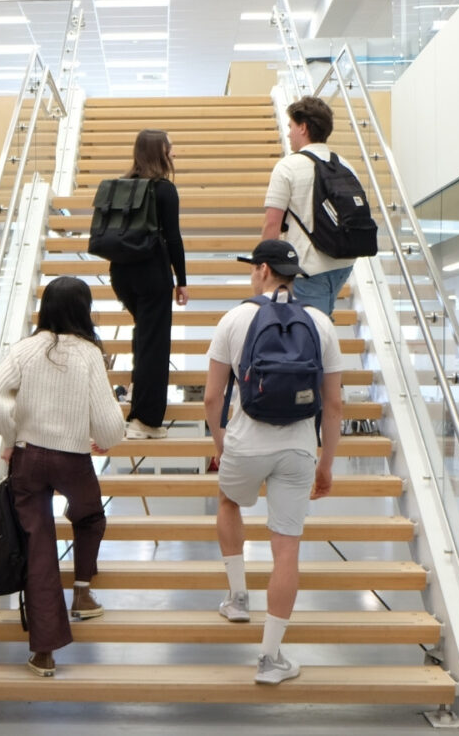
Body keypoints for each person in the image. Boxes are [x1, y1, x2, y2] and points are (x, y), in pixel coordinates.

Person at [203, 239, 344, 685]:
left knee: (229, 502)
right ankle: (269, 659)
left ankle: (238, 598)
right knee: (286, 549)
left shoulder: (234, 318)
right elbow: (334, 404)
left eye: (252, 268)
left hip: (245, 441)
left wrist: (222, 444)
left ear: (263, 270)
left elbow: (211, 398)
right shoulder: (320, 323)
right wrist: (326, 464)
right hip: (299, 446)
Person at [0, 275, 127, 677]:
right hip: (73, 460)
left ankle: (43, 654)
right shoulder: (89, 353)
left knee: (39, 548)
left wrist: (11, 436)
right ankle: (82, 593)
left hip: (28, 459)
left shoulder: (24, 349)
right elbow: (109, 425)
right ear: (84, 310)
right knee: (90, 516)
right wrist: (104, 439)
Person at [110, 128, 190, 439]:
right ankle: (145, 420)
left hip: (121, 274)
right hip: (152, 275)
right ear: (160, 152)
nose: (174, 152)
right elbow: (174, 239)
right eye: (170, 147)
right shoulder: (164, 190)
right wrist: (181, 280)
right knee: (155, 346)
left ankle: (136, 400)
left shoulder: (122, 186)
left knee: (144, 336)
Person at [263, 96, 358, 315]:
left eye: (291, 126)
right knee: (320, 320)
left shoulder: (288, 166)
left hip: (308, 268)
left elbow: (272, 224)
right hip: (343, 264)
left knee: (308, 328)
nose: (289, 133)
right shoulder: (345, 165)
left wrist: (264, 265)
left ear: (303, 128)